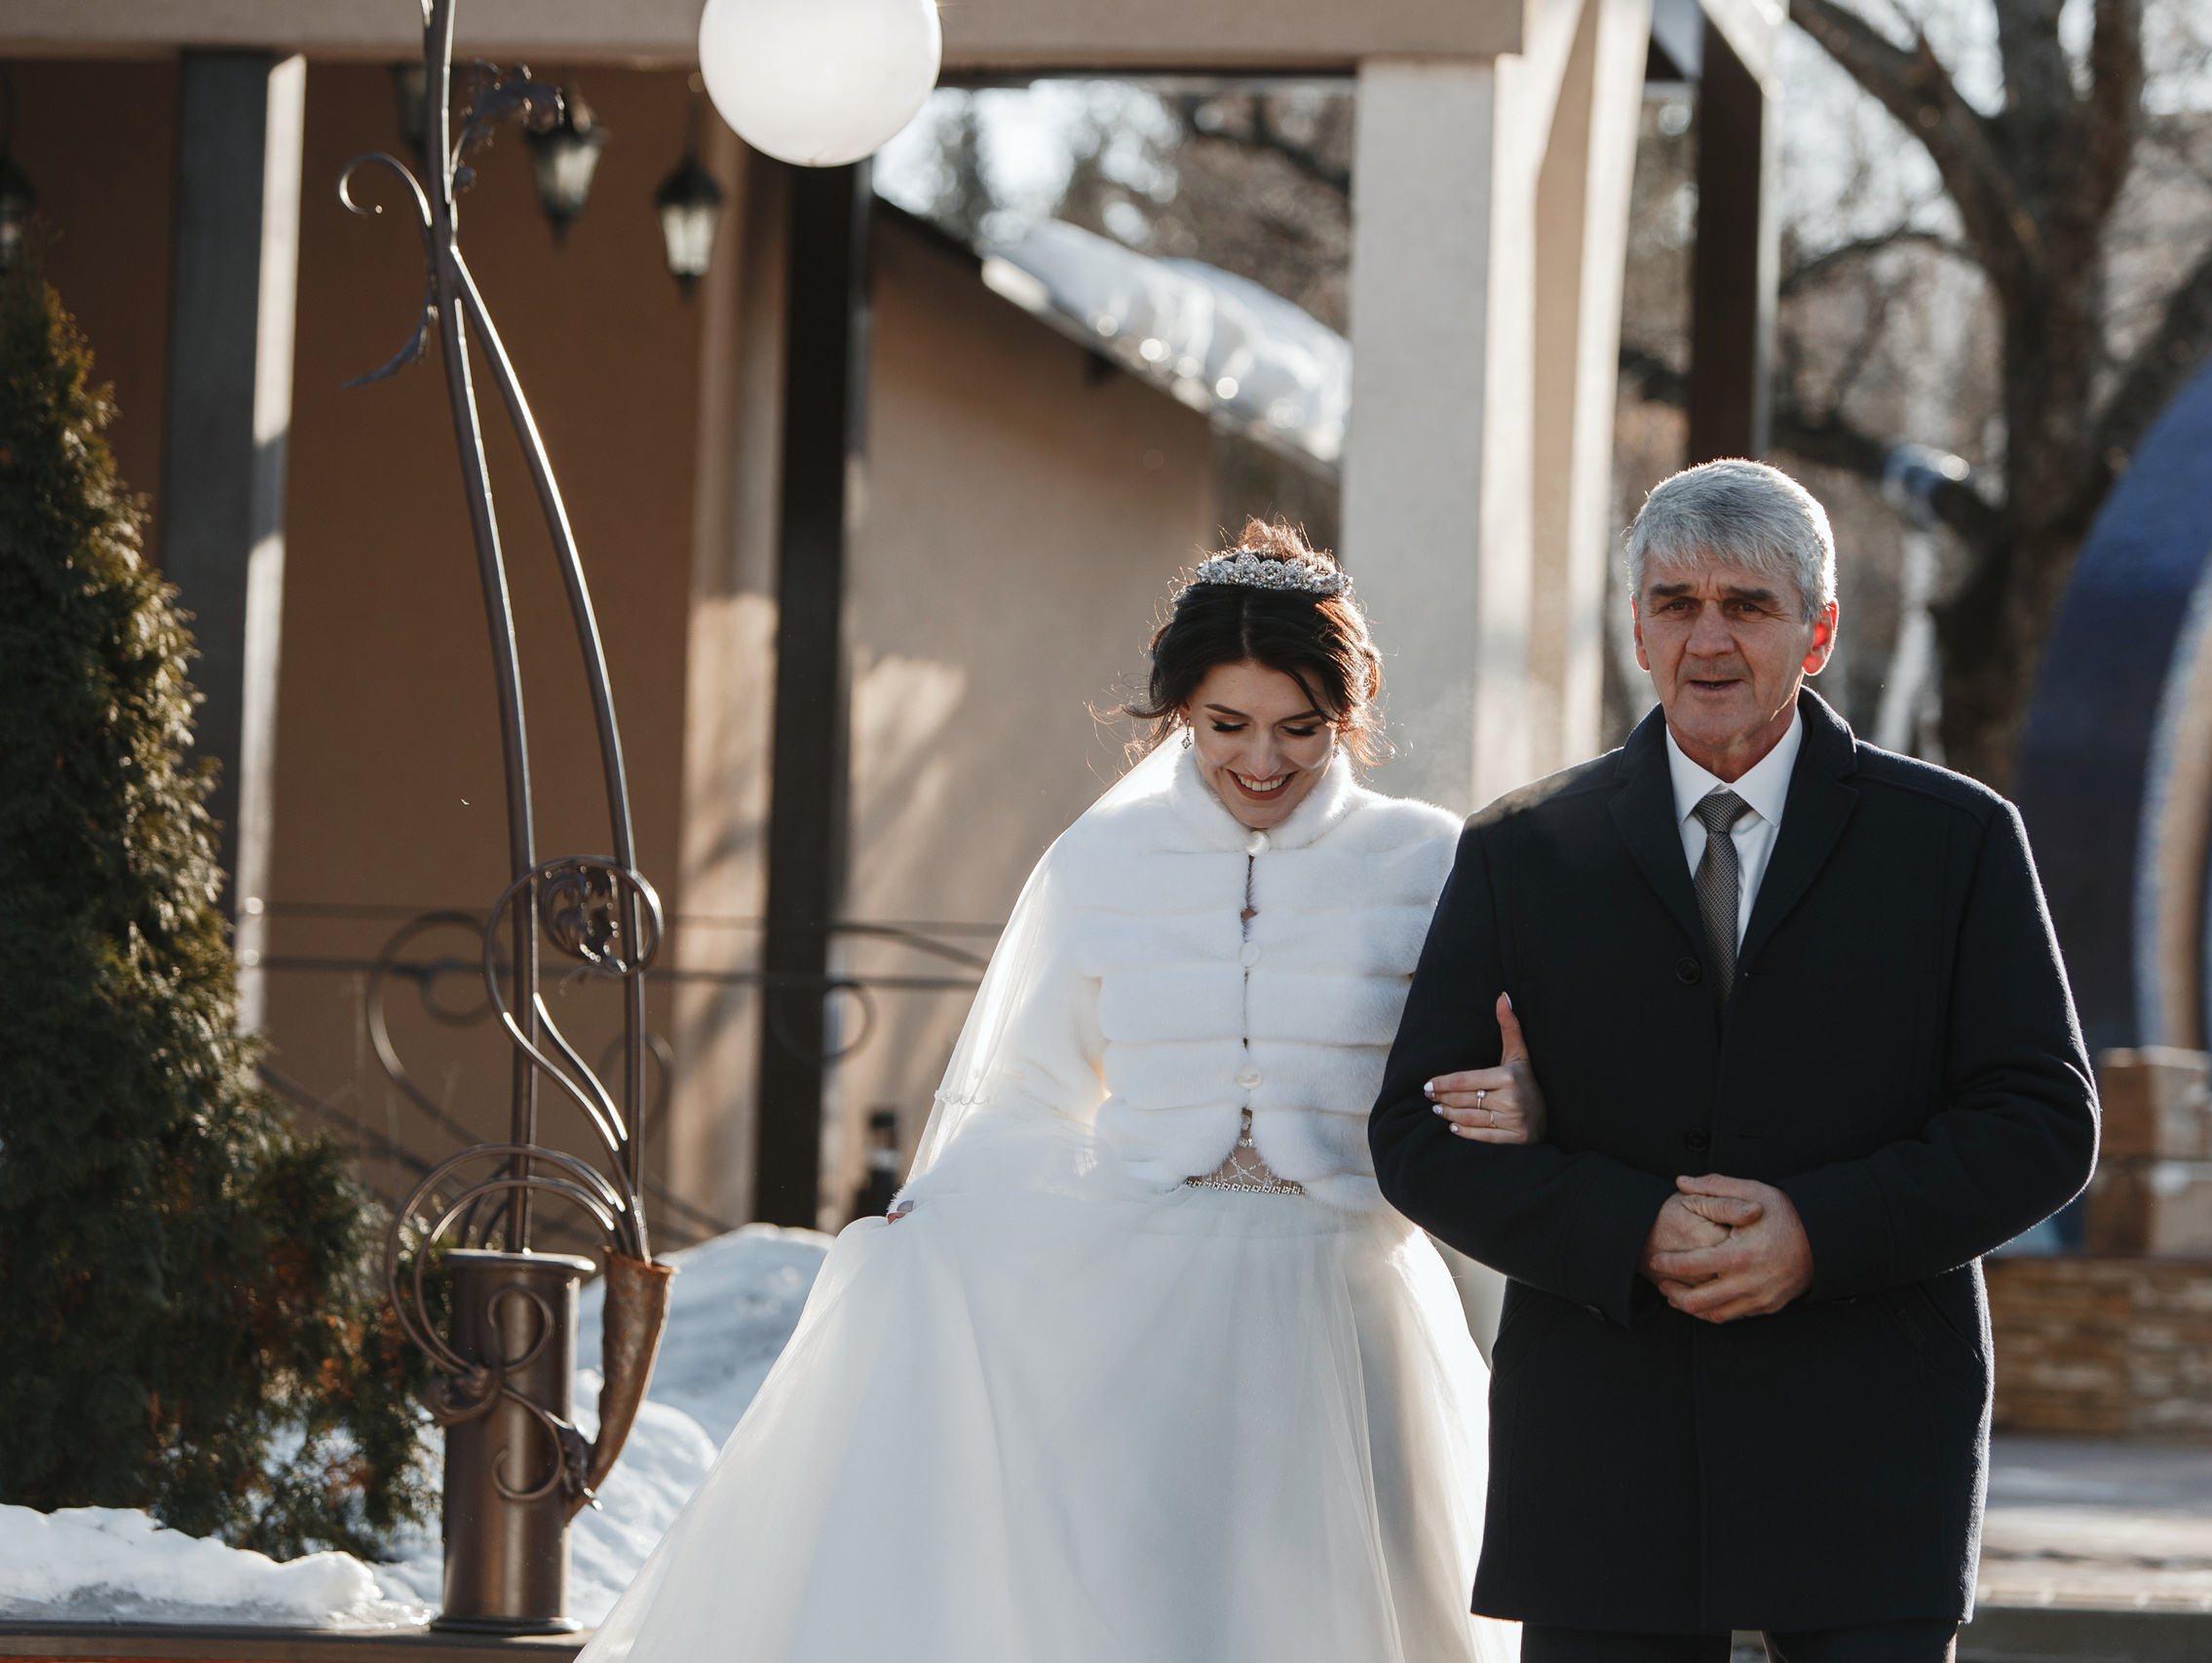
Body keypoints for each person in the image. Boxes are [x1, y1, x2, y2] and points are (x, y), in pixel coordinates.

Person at [579, 522, 1513, 1663]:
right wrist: (941, 1216)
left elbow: (1481, 1068)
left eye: (1299, 728)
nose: (1262, 759)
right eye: (1227, 725)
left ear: (1349, 714)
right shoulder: (1103, 861)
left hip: (1349, 1299)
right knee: (1152, 1618)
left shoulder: (1423, 862)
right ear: (1179, 710)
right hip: (1147, 1311)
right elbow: (1029, 1087)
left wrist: (1516, 1105)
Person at [1371, 461, 2099, 1663]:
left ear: (1817, 632)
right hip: (1607, 1439)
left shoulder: (1955, 840)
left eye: (1747, 606)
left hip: (1870, 1433)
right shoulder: (1520, 849)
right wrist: (1627, 1229)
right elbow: (1412, 1136)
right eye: (1676, 603)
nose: (1706, 639)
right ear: (1638, 630)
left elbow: (2042, 1120)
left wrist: (1818, 1231)